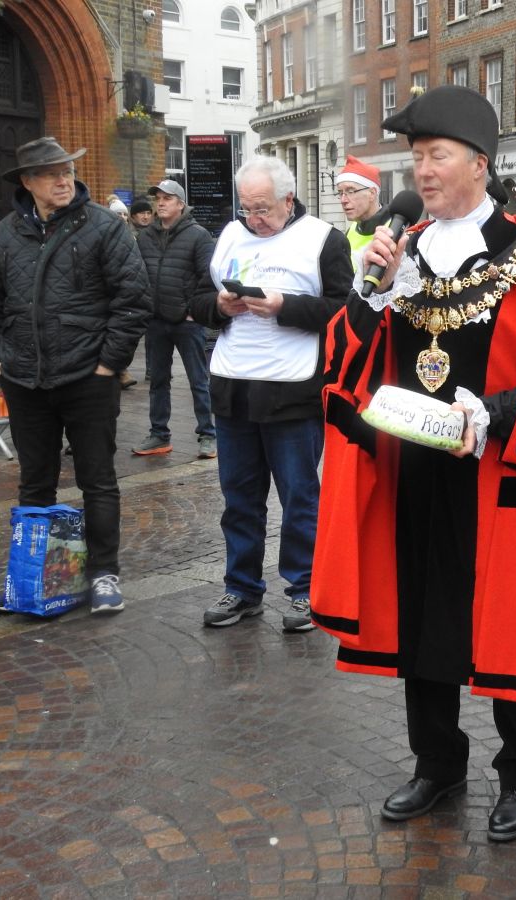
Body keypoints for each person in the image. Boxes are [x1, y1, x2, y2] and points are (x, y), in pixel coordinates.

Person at [309, 84, 516, 842]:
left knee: (513, 626)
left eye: (437, 155)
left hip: (498, 474)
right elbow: (344, 362)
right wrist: (370, 295)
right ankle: (438, 763)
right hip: (413, 473)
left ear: (479, 163)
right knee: (421, 620)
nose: (422, 170)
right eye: (417, 157)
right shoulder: (402, 250)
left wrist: (492, 414)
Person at [0, 136, 151, 614]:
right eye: (51, 173)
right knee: (35, 483)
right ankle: (31, 580)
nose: (63, 179)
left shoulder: (103, 227)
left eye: (67, 170)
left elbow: (133, 300)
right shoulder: (8, 232)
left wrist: (108, 365)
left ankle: (103, 575)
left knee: (98, 480)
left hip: (87, 377)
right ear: (27, 182)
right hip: (25, 379)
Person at [191, 156, 353, 633]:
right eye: (246, 208)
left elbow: (345, 311)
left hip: (293, 389)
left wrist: (285, 307)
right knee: (239, 498)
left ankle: (305, 591)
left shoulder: (324, 239)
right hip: (234, 386)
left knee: (299, 497)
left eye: (262, 209)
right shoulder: (229, 235)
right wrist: (219, 306)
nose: (254, 219)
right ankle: (241, 588)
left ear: (288, 199)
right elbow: (195, 300)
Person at [132, 179, 218, 460]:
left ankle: (207, 434)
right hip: (156, 320)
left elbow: (208, 277)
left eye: (167, 198)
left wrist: (193, 310)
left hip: (187, 322)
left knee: (198, 380)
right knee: (158, 380)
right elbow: (138, 274)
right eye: (158, 198)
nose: (160, 203)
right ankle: (159, 434)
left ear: (181, 204)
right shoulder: (145, 237)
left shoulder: (198, 235)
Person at [335, 155, 389, 272]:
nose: (343, 200)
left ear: (372, 193)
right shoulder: (351, 230)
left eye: (351, 191)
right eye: (340, 193)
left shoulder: (395, 228)